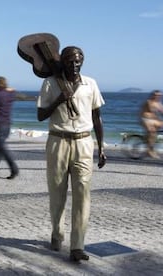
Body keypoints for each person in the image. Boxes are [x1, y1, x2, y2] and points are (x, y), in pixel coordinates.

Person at [37, 46, 106, 263]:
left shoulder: (91, 84)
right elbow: (40, 115)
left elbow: (97, 117)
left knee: (82, 194)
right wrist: (58, 99)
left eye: (78, 61)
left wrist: (102, 147)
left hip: (84, 143)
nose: (74, 65)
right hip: (58, 140)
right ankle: (57, 233)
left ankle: (77, 246)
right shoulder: (49, 83)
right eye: (70, 61)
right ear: (62, 62)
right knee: (57, 192)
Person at [139, 90, 163, 159]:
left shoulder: (158, 103)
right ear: (152, 95)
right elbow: (153, 113)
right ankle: (149, 151)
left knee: (155, 133)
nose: (158, 96)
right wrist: (162, 121)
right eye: (156, 95)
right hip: (145, 119)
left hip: (152, 120)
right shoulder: (149, 102)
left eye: (160, 95)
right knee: (152, 132)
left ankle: (149, 142)